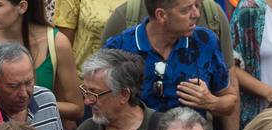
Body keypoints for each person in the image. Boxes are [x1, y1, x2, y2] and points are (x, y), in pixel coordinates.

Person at [101, 0, 235, 119]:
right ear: (161, 15)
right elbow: (100, 103)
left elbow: (230, 100)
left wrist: (210, 101)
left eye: (197, 5)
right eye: (186, 10)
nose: (196, 14)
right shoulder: (120, 47)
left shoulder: (205, 41)